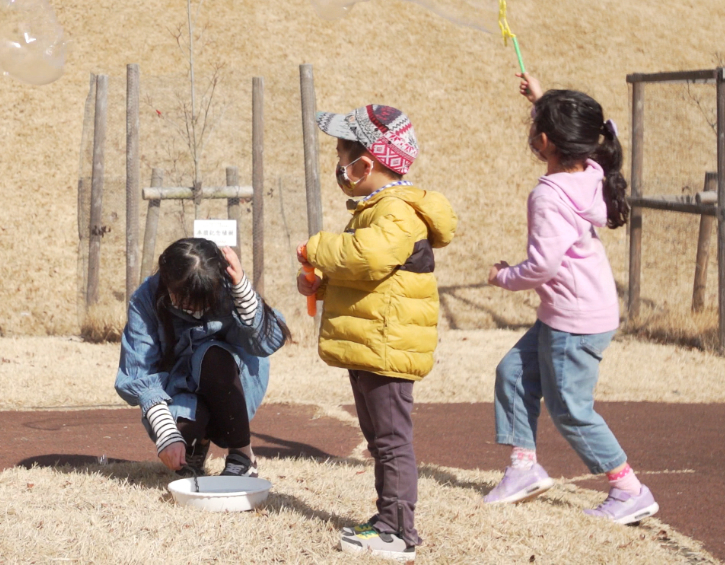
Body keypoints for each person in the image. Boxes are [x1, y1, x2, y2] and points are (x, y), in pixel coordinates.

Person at [483, 73, 659, 525]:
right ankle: (524, 468)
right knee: (514, 373)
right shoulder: (592, 169)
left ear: (543, 141)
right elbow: (578, 140)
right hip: (578, 311)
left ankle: (628, 489)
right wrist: (541, 98)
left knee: (571, 411)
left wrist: (504, 276)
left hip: (574, 321)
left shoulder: (549, 196)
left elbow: (542, 266)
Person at [297, 105, 456, 562]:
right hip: (373, 344)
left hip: (387, 346)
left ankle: (398, 531)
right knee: (379, 437)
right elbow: (371, 275)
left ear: (365, 165)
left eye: (341, 153)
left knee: (390, 440)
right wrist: (322, 283)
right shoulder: (376, 209)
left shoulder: (396, 212)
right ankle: (387, 519)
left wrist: (319, 247)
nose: (337, 163)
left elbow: (368, 257)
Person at [115, 238, 289, 478]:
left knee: (211, 355)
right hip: (179, 389)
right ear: (168, 285)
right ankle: (196, 446)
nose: (196, 311)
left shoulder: (229, 286)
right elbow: (140, 374)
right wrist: (167, 434)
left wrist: (243, 291)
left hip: (233, 382)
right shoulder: (146, 299)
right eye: (185, 302)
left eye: (205, 302)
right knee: (178, 433)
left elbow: (268, 342)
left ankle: (242, 455)